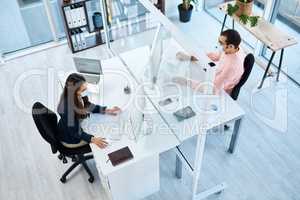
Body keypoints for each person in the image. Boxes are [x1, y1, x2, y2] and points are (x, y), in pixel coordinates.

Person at [57, 73, 121, 149]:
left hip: (72, 127)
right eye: (82, 88)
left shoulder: (73, 94)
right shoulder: (68, 108)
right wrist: (93, 139)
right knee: (103, 138)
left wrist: (106, 110)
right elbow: (74, 132)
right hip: (70, 138)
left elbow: (87, 105)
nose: (85, 87)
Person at [175, 29, 245, 95]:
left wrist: (186, 82)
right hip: (218, 75)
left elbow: (211, 89)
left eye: (221, 43)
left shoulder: (231, 67)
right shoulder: (235, 48)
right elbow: (217, 56)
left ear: (231, 46)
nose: (218, 45)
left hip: (221, 89)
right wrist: (191, 57)